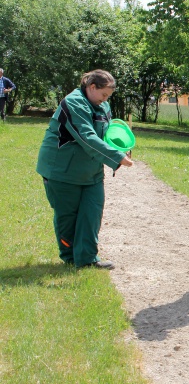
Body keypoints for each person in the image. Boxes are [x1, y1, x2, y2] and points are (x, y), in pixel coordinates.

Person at [36, 69, 134, 269]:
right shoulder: (73, 103)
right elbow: (87, 137)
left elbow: (106, 133)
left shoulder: (102, 104)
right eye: (103, 94)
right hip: (61, 172)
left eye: (109, 96)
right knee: (68, 217)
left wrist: (121, 148)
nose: (106, 100)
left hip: (92, 173)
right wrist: (117, 158)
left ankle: (88, 259)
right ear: (91, 87)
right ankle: (71, 257)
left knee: (92, 213)